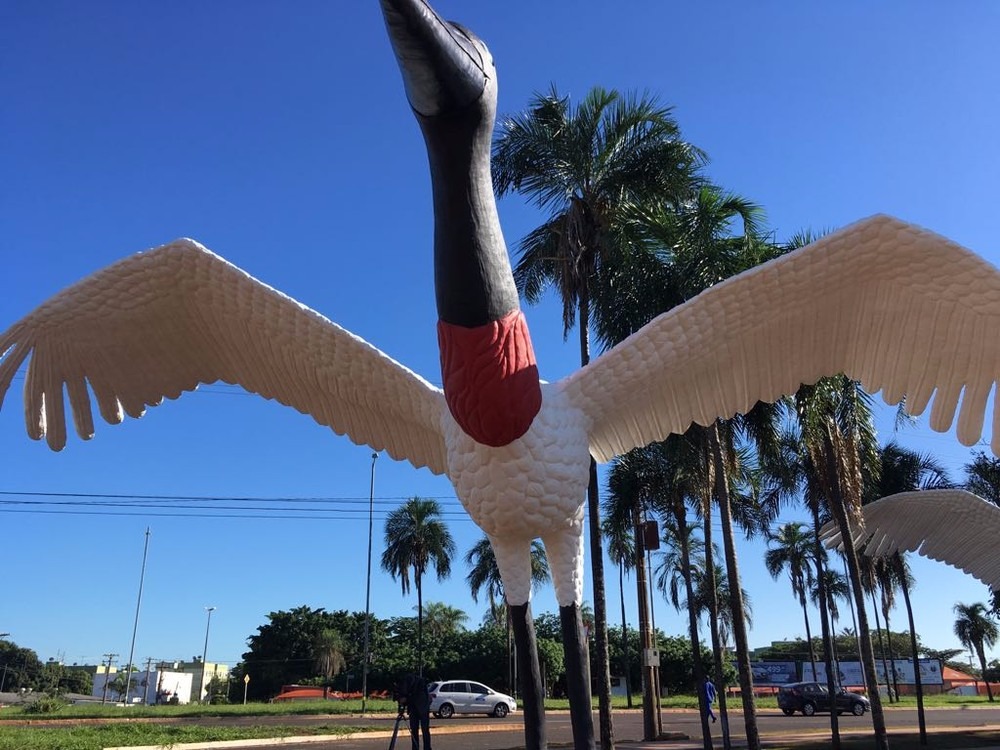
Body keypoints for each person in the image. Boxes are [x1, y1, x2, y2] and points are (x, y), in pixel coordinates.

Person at [396, 672, 432, 750]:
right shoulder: (407, 683)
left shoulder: (420, 684)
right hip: (414, 708)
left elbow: (418, 698)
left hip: (423, 708)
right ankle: (415, 748)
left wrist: (406, 700)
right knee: (414, 730)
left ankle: (427, 748)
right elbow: (403, 695)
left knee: (425, 730)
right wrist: (402, 704)